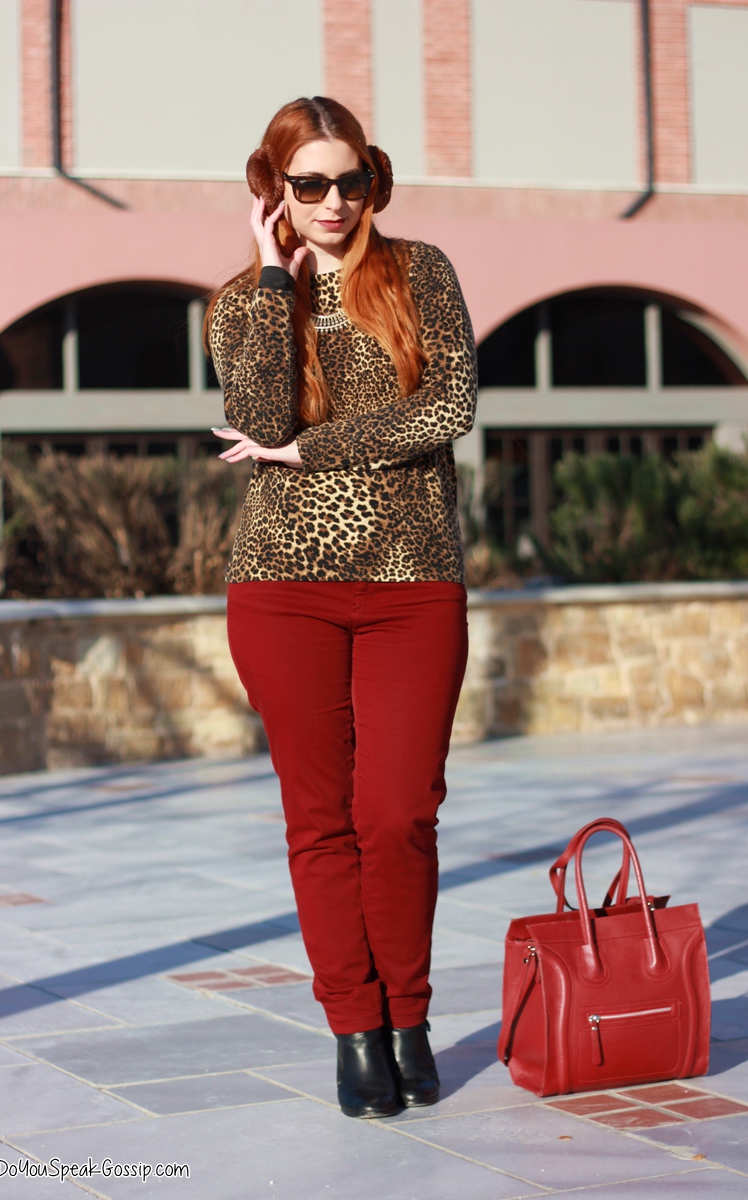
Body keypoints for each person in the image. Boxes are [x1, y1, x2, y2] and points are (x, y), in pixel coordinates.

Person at [205, 96, 477, 1119]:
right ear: (274, 187)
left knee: (399, 812)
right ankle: (355, 1031)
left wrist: (309, 453)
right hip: (280, 587)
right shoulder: (239, 304)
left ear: (373, 179)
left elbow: (446, 408)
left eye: (348, 180)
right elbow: (258, 417)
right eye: (307, 182)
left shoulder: (419, 272)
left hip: (412, 581)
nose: (331, 200)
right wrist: (277, 279)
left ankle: (408, 1012)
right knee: (319, 821)